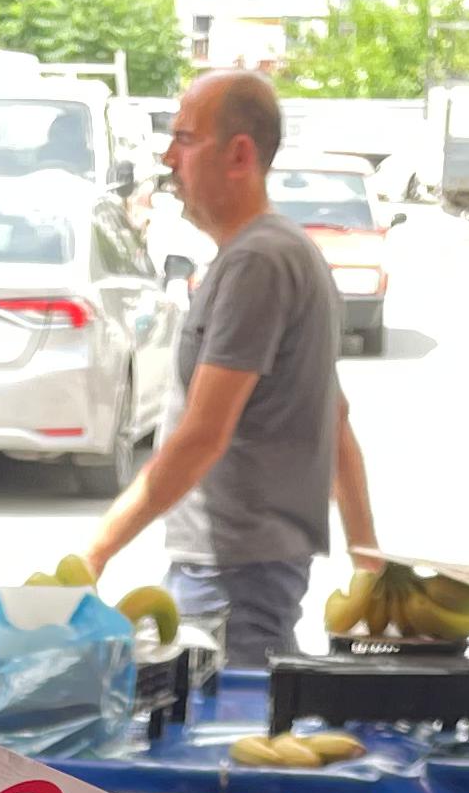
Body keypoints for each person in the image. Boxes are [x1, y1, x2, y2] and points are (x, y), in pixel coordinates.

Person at [81, 70, 375, 667]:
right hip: (245, 570)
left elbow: (202, 436)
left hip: (232, 578)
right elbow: (334, 418)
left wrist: (93, 553)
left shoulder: (259, 263)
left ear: (239, 154)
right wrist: (369, 558)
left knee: (223, 742)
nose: (168, 157)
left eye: (185, 139)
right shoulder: (280, 252)